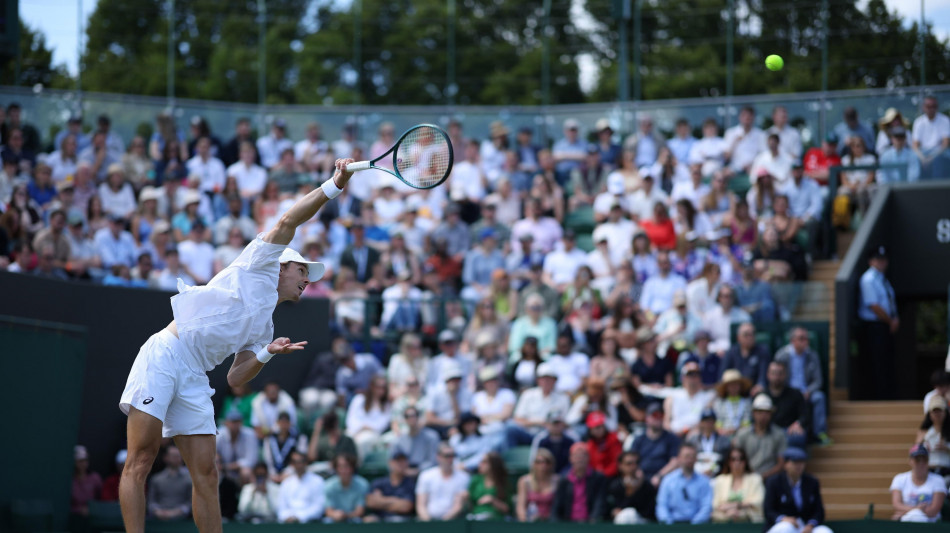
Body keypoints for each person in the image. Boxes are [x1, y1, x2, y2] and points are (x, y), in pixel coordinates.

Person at [118, 158, 354, 533]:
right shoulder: (260, 262)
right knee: (142, 459)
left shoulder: (266, 326)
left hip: (196, 375)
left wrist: (266, 353)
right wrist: (334, 185)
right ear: (282, 266)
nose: (307, 279)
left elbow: (236, 376)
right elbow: (288, 221)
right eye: (302, 270)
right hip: (165, 354)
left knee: (208, 474)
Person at [773, 328, 830, 445]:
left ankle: (819, 433)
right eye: (801, 338)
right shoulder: (782, 355)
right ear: (792, 341)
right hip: (788, 392)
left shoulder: (812, 355)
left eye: (806, 338)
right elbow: (777, 377)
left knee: (819, 397)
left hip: (807, 392)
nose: (805, 341)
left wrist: (809, 391)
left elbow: (818, 381)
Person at [858, 246, 898, 400]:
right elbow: (873, 305)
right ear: (870, 261)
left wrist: (895, 319)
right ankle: (878, 397)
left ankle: (887, 395)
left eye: (883, 259)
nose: (881, 262)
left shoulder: (883, 279)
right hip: (874, 327)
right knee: (877, 363)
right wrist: (890, 321)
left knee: (886, 362)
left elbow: (889, 302)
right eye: (877, 259)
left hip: (885, 326)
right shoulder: (868, 279)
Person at [763, 448, 833, 533]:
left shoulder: (812, 482)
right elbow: (768, 510)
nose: (799, 466)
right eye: (795, 462)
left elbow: (819, 511)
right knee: (786, 528)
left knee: (824, 531)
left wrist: (810, 525)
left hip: (805, 526)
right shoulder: (773, 482)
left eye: (801, 462)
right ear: (785, 464)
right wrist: (784, 519)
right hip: (780, 526)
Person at [733, 394, 787, 480]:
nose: (763, 416)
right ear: (753, 413)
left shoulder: (779, 434)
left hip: (770, 478)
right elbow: (736, 459)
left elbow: (781, 464)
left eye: (767, 412)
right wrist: (750, 475)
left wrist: (763, 476)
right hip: (746, 476)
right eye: (760, 412)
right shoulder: (743, 434)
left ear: (771, 414)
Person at [655, 443, 712, 524]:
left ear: (696, 459)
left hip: (697, 528)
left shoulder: (704, 481)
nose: (689, 460)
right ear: (679, 458)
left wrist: (693, 526)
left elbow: (706, 507)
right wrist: (669, 525)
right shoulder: (668, 480)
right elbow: (662, 506)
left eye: (692, 457)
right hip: (672, 526)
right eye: (686, 456)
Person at [890, 443, 947, 523]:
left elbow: (933, 511)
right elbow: (896, 505)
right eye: (917, 460)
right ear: (910, 461)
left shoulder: (938, 480)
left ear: (928, 461)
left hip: (931, 524)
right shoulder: (899, 479)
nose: (921, 463)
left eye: (924, 460)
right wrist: (917, 510)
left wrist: (907, 511)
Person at [552, 442, 607, 523]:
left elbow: (600, 501)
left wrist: (594, 519)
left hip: (590, 524)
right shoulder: (564, 480)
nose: (580, 458)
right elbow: (557, 505)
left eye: (583, 455)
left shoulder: (598, 478)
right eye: (576, 456)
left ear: (588, 457)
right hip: (568, 524)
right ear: (570, 458)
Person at [415, 443, 471, 521]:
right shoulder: (425, 476)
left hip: (453, 522)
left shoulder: (463, 477)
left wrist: (443, 524)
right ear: (438, 457)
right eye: (447, 456)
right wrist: (429, 524)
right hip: (428, 523)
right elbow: (421, 505)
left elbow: (458, 506)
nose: (450, 459)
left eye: (453, 455)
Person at [711, 446, 765, 523]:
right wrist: (729, 512)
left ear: (745, 461)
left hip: (749, 521)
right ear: (728, 462)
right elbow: (715, 504)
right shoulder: (720, 480)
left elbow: (758, 501)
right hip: (723, 520)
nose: (737, 462)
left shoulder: (755, 479)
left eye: (741, 459)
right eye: (733, 459)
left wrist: (737, 505)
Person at [765, 361, 810, 448]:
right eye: (774, 373)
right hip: (768, 431)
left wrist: (798, 423)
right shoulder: (762, 395)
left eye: (780, 373)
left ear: (785, 375)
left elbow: (805, 415)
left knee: (798, 436)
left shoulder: (796, 394)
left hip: (789, 431)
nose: (777, 377)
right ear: (768, 374)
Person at [365, 449, 416, 522]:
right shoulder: (379, 482)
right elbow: (371, 502)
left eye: (403, 461)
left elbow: (406, 507)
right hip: (380, 520)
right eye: (397, 461)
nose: (401, 464)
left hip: (402, 523)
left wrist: (381, 500)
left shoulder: (410, 484)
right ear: (390, 463)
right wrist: (395, 501)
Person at [390, 405, 441, 477]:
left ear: (418, 417)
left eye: (414, 415)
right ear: (404, 419)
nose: (411, 419)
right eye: (407, 416)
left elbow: (434, 461)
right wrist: (403, 470)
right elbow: (392, 461)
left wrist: (418, 470)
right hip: (404, 474)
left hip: (426, 473)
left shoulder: (431, 437)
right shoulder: (399, 441)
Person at [276, 450, 325, 523]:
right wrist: (287, 517)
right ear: (292, 464)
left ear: (306, 463)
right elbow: (281, 507)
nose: (298, 465)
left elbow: (318, 507)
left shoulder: (317, 481)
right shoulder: (286, 483)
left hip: (310, 524)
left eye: (300, 462)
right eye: (295, 462)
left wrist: (300, 517)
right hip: (288, 524)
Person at [147, 446, 192, 521]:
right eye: (174, 456)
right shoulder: (156, 479)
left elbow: (191, 503)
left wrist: (176, 512)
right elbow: (151, 501)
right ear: (166, 457)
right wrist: (158, 511)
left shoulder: (189, 479)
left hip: (183, 520)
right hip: (158, 519)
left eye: (179, 456)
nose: (177, 458)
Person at [911, 96, 950, 179]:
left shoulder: (945, 120)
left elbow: (945, 144)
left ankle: (938, 186)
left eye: (934, 106)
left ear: (937, 107)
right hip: (923, 153)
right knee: (913, 157)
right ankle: (913, 184)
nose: (931, 109)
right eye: (928, 106)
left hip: (939, 152)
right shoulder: (918, 122)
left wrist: (931, 157)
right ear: (923, 107)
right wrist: (922, 158)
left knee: (940, 159)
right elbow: (915, 146)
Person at [216, 410, 259, 484]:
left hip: (238, 469)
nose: (235, 425)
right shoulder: (219, 435)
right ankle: (215, 495)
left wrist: (228, 467)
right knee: (214, 471)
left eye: (237, 422)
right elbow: (213, 454)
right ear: (226, 423)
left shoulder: (250, 434)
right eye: (232, 422)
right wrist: (217, 460)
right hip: (222, 468)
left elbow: (251, 460)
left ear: (241, 422)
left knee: (246, 472)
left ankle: (245, 495)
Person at [515, 447, 558, 522]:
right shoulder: (524, 481)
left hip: (551, 523)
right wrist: (525, 522)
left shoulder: (557, 481)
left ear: (551, 464)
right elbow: (520, 508)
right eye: (539, 462)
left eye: (547, 462)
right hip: (530, 522)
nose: (543, 465)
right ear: (533, 464)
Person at [323, 454, 369, 523]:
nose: (344, 470)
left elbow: (359, 511)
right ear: (336, 469)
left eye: (347, 466)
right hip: (335, 519)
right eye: (340, 467)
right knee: (327, 521)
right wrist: (335, 514)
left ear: (352, 468)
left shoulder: (362, 484)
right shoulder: (329, 485)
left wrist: (345, 515)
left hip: (354, 519)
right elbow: (328, 511)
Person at [263, 412, 308, 480]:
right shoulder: (270, 438)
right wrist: (273, 474)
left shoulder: (299, 438)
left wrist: (288, 473)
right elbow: (268, 459)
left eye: (286, 422)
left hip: (292, 474)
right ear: (277, 423)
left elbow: (301, 458)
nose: (284, 425)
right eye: (282, 422)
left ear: (290, 423)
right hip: (273, 475)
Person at [467, 452, 511, 520]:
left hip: (496, 521)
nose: (480, 464)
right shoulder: (476, 480)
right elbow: (470, 502)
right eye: (480, 461)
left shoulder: (503, 483)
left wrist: (492, 500)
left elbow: (507, 509)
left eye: (484, 462)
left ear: (493, 464)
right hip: (476, 519)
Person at [724, 106, 767, 175]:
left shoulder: (761, 134)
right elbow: (726, 157)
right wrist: (735, 142)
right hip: (734, 168)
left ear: (753, 118)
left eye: (749, 116)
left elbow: (763, 154)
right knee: (723, 174)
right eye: (744, 116)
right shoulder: (731, 133)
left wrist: (752, 165)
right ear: (740, 117)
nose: (747, 118)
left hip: (754, 167)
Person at [71, 445, 103, 516]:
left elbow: (101, 499)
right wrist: (79, 510)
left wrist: (92, 509)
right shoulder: (70, 480)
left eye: (85, 460)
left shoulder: (95, 478)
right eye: (80, 461)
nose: (83, 463)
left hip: (93, 517)